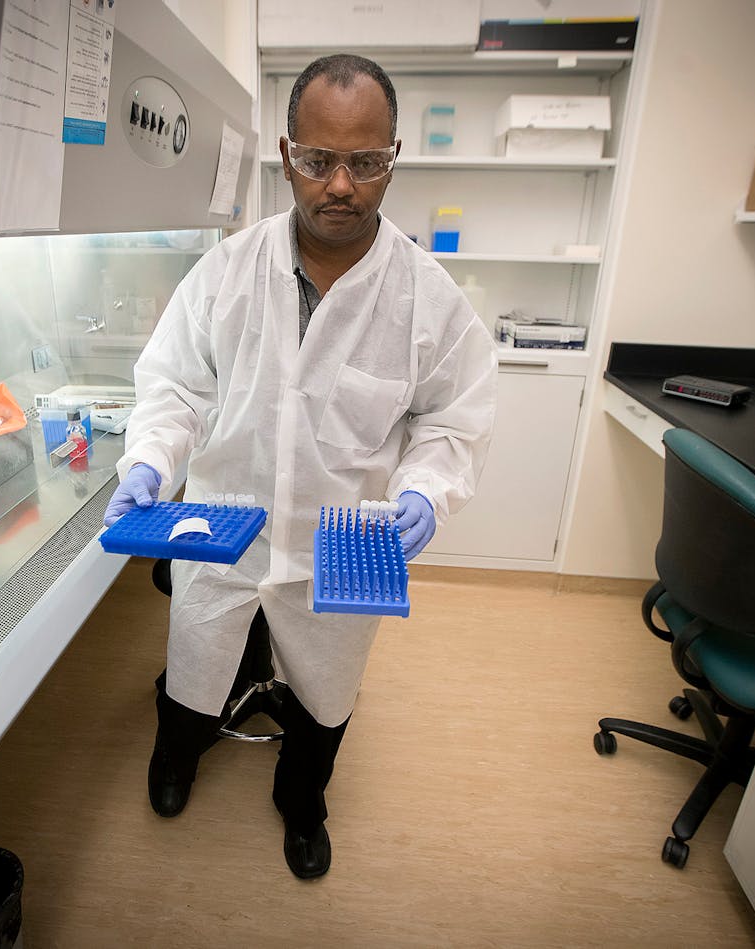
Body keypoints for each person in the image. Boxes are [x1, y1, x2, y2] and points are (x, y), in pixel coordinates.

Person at [102, 53, 497, 880]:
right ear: (287, 156)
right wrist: (148, 460)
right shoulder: (226, 273)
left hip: (337, 544)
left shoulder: (430, 301)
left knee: (326, 689)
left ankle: (304, 798)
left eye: (366, 161)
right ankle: (177, 756)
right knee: (196, 659)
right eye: (319, 160)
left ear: (394, 159)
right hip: (225, 528)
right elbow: (175, 387)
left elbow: (450, 422)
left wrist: (425, 488)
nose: (342, 184)